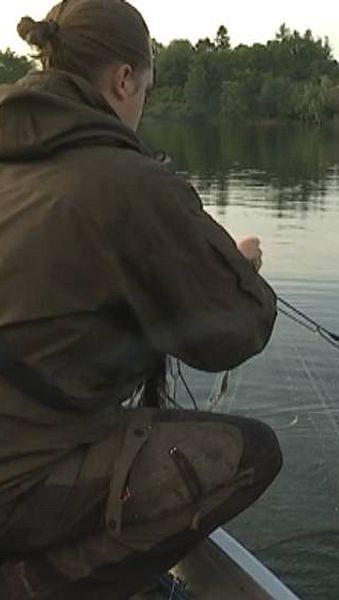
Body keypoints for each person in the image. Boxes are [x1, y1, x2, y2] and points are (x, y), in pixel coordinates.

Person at [0, 1, 281, 598]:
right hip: (11, 494)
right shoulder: (126, 180)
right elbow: (233, 332)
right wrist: (239, 266)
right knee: (251, 454)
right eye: (146, 88)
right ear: (124, 80)